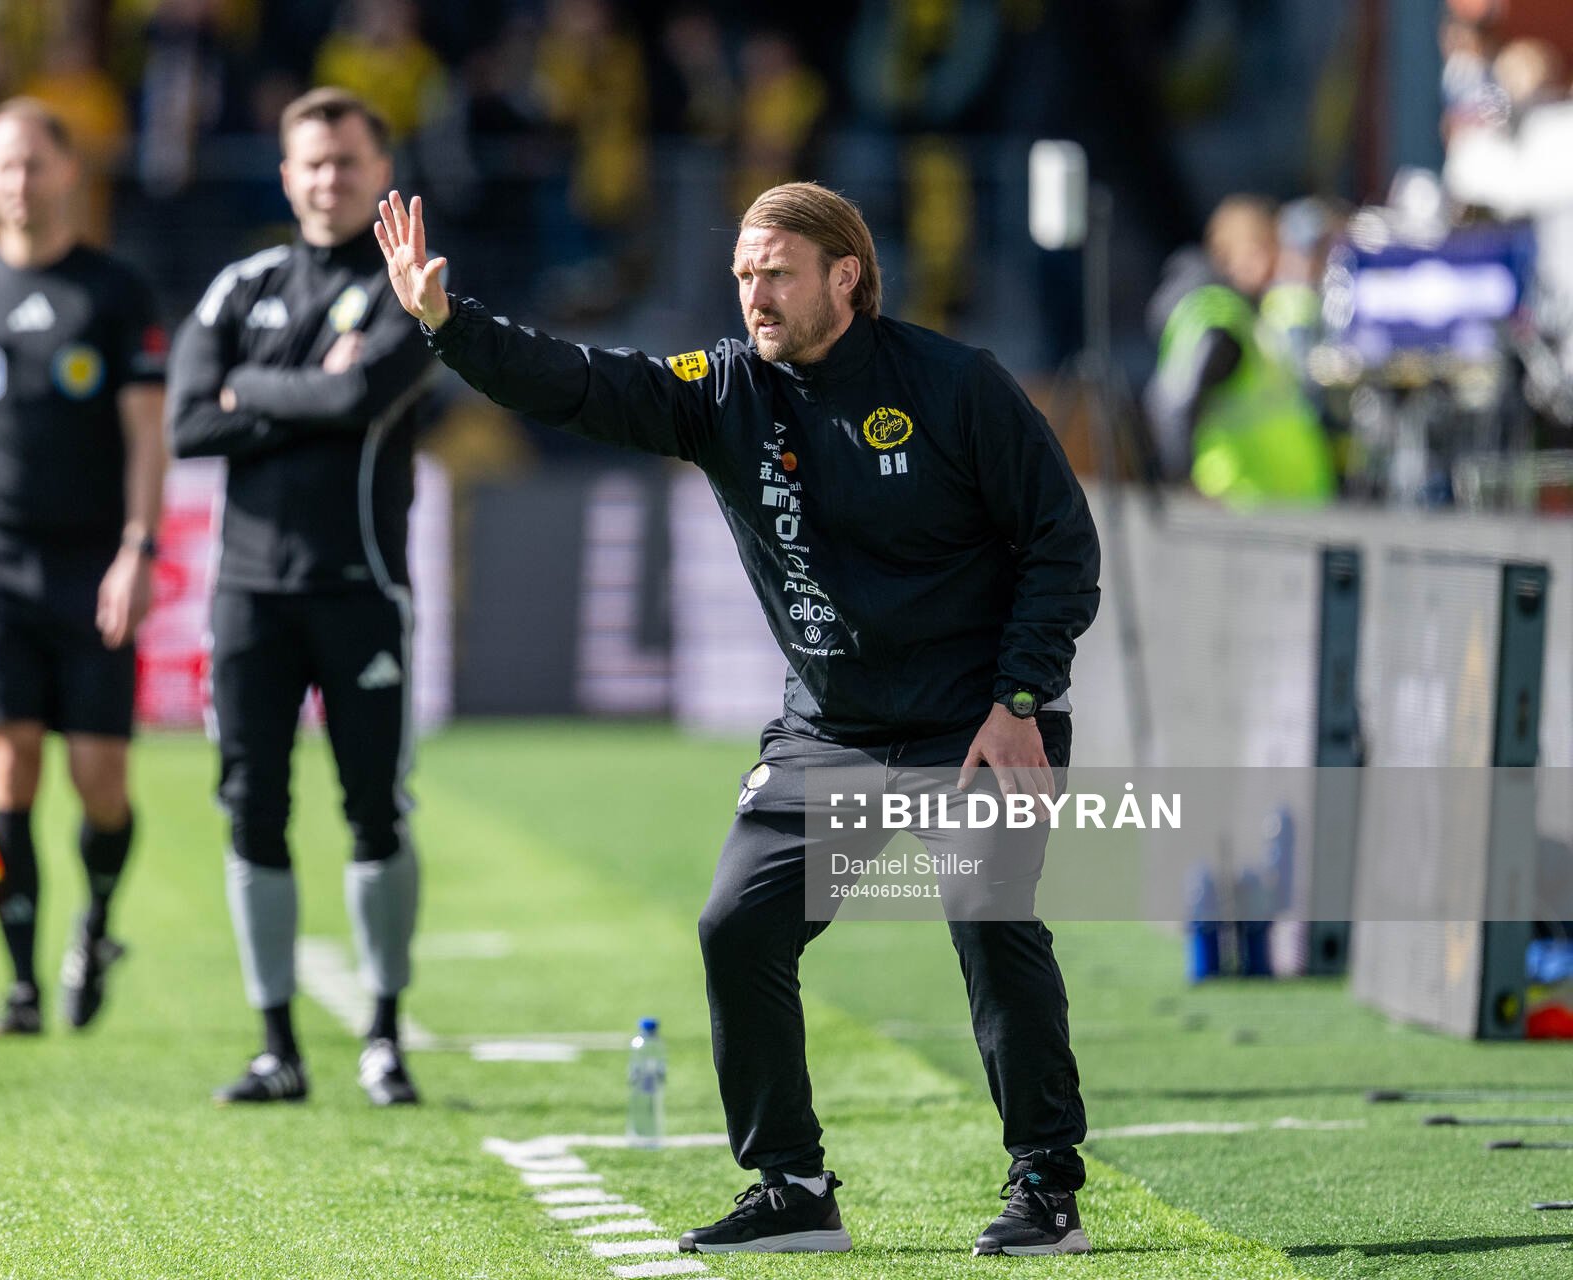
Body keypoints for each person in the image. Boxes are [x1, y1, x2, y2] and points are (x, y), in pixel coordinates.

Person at [374, 182, 1100, 1256]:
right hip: (831, 727)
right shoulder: (721, 389)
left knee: (989, 918)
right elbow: (579, 385)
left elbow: (1060, 546)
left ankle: (1046, 1183)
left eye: (777, 273)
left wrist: (1020, 698)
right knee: (737, 922)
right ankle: (794, 1185)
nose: (755, 294)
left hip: (975, 721)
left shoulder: (956, 386)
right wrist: (448, 322)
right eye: (744, 275)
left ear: (844, 277)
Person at [167, 88, 435, 1108]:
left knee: (376, 810)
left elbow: (362, 394)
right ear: (287, 177)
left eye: (349, 162)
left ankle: (383, 1033)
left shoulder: (410, 287)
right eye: (313, 164)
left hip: (362, 588)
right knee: (252, 807)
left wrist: (252, 390)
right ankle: (276, 1042)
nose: (330, 179)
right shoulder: (240, 284)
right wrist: (296, 392)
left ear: (381, 173)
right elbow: (189, 423)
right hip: (248, 598)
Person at [0, 98, 169, 1038]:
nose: (17, 182)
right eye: (0, 167)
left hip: (96, 564)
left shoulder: (115, 291)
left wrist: (139, 549)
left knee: (100, 783)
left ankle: (94, 924)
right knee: (7, 773)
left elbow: (147, 433)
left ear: (68, 173)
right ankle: (19, 984)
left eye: (32, 164)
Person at [1144, 195, 1336, 506]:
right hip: (1238, 506)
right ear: (1224, 253)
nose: (1269, 261)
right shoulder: (1221, 316)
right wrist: (1184, 485)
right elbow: (1172, 402)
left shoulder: (1247, 314)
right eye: (1258, 249)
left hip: (1274, 506)